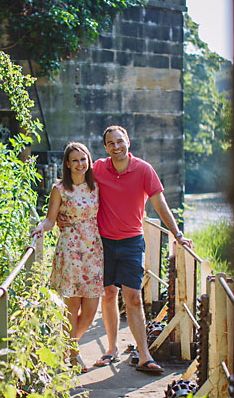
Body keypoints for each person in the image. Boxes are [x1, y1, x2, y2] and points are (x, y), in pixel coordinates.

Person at [58, 126, 192, 374]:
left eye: (120, 141)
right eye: (111, 143)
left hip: (131, 241)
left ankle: (144, 355)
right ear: (106, 147)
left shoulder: (143, 169)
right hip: (102, 243)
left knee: (133, 296)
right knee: (108, 295)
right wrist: (59, 217)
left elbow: (160, 204)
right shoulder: (97, 167)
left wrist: (178, 235)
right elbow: (70, 186)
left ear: (128, 141)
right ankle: (111, 349)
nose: (116, 146)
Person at [31, 142, 104, 373]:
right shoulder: (60, 189)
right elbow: (50, 220)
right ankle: (73, 355)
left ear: (89, 161)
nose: (80, 164)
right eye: (75, 160)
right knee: (72, 307)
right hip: (70, 249)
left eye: (83, 159)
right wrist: (40, 228)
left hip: (93, 249)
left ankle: (64, 345)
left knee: (91, 308)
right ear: (67, 163)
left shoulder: (97, 187)